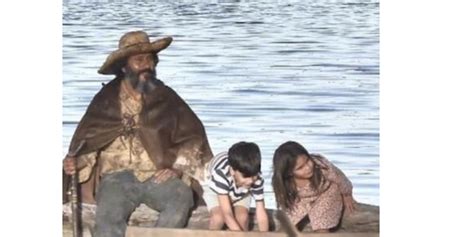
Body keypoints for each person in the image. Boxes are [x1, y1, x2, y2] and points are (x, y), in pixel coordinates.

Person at [62, 31, 213, 237]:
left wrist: (177, 169)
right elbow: (89, 141)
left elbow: (193, 137)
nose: (146, 65)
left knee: (181, 196)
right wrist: (76, 161)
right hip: (116, 177)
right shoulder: (106, 100)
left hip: (157, 175)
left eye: (150, 59)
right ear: (124, 66)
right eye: (138, 60)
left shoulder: (167, 97)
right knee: (108, 217)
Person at [271, 141, 355, 232]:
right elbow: (284, 200)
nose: (308, 167)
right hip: (302, 199)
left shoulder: (322, 167)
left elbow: (340, 178)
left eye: (308, 161)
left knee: (321, 226)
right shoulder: (284, 181)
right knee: (286, 227)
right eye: (300, 168)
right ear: (289, 172)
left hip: (326, 193)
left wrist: (346, 194)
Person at [202, 141, 269, 231]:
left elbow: (261, 213)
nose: (250, 181)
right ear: (233, 171)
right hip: (215, 190)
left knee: (243, 218)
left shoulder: (256, 179)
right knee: (218, 218)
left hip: (241, 191)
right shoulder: (220, 175)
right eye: (245, 176)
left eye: (254, 175)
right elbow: (227, 214)